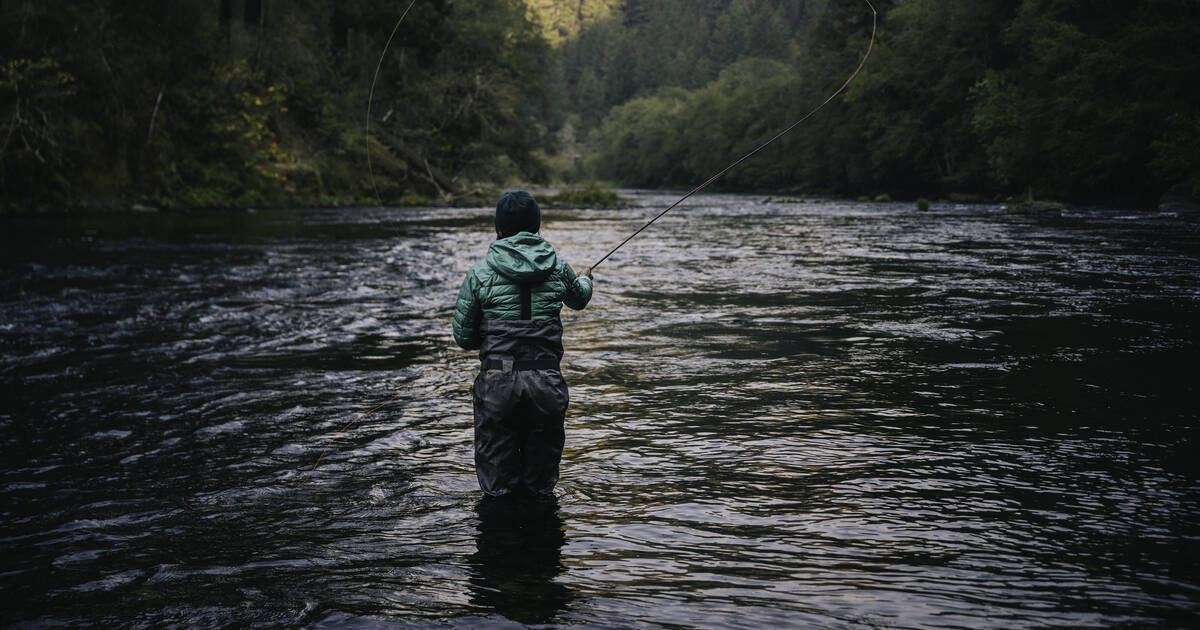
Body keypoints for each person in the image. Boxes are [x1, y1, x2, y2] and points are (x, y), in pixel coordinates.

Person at [453, 190, 593, 501]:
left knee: (497, 491)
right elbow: (579, 299)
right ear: (536, 228)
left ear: (499, 229)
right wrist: (585, 279)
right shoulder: (558, 267)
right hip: (546, 384)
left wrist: (491, 339)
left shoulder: (479, 273)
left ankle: (500, 544)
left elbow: (463, 337)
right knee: (540, 489)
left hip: (497, 386)